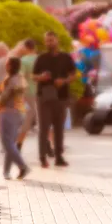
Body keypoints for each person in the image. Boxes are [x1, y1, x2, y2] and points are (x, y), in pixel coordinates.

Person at [32, 35, 77, 167]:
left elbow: (73, 75)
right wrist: (41, 77)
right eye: (46, 40)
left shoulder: (66, 57)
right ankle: (42, 157)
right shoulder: (41, 58)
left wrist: (64, 81)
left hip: (61, 96)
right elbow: (34, 76)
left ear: (57, 40)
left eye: (51, 40)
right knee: (44, 128)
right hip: (44, 97)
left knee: (59, 128)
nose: (48, 43)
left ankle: (59, 156)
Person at [0, 81, 30, 179]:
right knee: (11, 144)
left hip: (8, 114)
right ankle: (6, 171)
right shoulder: (19, 80)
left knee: (7, 144)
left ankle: (23, 166)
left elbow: (2, 101)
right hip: (18, 114)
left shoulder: (10, 81)